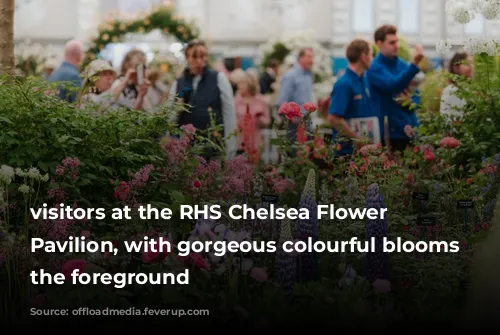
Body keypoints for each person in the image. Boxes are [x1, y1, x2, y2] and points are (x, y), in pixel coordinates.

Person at [168, 40, 237, 159]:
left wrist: (231, 147)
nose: (199, 61)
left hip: (212, 142)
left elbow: (229, 112)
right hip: (185, 145)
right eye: (195, 57)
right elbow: (169, 117)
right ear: (187, 58)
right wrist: (177, 110)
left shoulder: (218, 78)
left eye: (202, 56)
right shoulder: (179, 82)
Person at [366, 25, 424, 153]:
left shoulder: (402, 64)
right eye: (391, 42)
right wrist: (414, 64)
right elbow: (393, 84)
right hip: (390, 134)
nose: (396, 45)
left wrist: (411, 101)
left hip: (410, 130)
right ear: (379, 44)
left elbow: (416, 93)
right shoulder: (374, 68)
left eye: (397, 41)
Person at [328, 39, 380, 156]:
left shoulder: (364, 79)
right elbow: (334, 118)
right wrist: (358, 140)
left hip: (362, 151)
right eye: (371, 55)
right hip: (346, 152)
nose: (372, 59)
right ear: (363, 56)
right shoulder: (344, 83)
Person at [277, 48, 314, 143]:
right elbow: (283, 100)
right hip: (295, 120)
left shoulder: (308, 75)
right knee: (294, 151)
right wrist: (291, 117)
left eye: (312, 57)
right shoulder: (291, 76)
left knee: (307, 150)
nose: (312, 60)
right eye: (309, 57)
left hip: (306, 118)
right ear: (300, 58)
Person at [234, 71, 271, 155]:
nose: (240, 86)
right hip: (239, 142)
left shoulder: (261, 100)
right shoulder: (235, 101)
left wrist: (259, 117)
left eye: (243, 84)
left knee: (254, 167)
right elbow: (231, 121)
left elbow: (267, 122)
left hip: (256, 142)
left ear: (251, 85)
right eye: (239, 84)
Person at [440, 52, 473, 118]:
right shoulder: (452, 90)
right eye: (466, 64)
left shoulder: (466, 89)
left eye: (471, 64)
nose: (470, 67)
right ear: (455, 67)